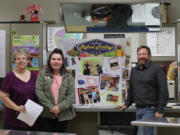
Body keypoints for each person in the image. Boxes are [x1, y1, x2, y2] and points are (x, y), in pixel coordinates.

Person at [115, 45, 169, 135]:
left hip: (151, 111)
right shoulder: (134, 70)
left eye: (144, 54)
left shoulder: (157, 69)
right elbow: (132, 90)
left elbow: (163, 90)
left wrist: (160, 110)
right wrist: (126, 104)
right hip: (138, 110)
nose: (141, 56)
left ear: (149, 56)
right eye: (139, 54)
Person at [36, 48, 76, 133]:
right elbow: (39, 92)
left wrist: (59, 107)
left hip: (63, 115)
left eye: (59, 59)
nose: (56, 61)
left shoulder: (68, 76)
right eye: (53, 59)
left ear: (62, 62)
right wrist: (52, 107)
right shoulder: (43, 73)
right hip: (45, 115)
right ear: (49, 61)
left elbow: (71, 95)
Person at [0, 48, 37, 131]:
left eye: (23, 58)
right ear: (15, 61)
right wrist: (16, 107)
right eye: (18, 58)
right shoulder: (10, 76)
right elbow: (3, 96)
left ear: (27, 61)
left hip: (29, 119)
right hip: (13, 120)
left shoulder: (33, 75)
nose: (21, 60)